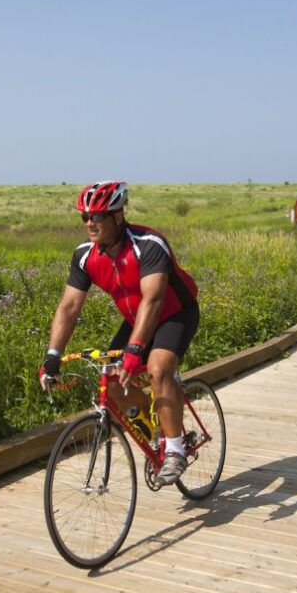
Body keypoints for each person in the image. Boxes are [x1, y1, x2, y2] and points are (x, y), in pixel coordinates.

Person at [38, 181, 199, 486]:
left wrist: (135, 351)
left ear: (118, 215)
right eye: (85, 217)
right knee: (111, 382)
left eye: (97, 217)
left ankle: (176, 451)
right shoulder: (85, 256)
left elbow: (153, 299)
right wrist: (52, 357)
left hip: (175, 313)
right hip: (137, 318)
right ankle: (156, 435)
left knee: (158, 368)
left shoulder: (149, 244)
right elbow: (69, 307)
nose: (89, 223)